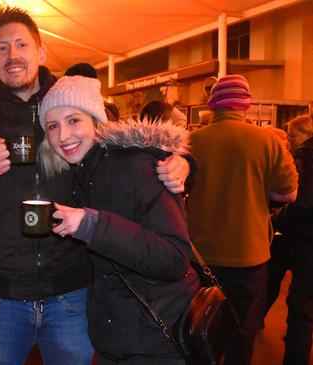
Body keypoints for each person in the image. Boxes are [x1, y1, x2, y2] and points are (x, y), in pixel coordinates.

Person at [0, 6, 193, 364]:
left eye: (21, 45)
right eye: (2, 48)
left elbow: (128, 147)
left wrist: (185, 163)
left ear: (41, 51)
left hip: (72, 290)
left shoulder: (71, 101)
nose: (12, 55)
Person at [38, 75, 198, 364]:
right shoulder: (84, 172)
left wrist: (92, 226)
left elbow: (174, 258)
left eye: (73, 121)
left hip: (158, 337)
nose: (63, 136)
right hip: (121, 333)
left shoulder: (133, 166)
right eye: (53, 126)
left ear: (97, 122)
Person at [187, 74, 298, 365]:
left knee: (201, 326)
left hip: (201, 255)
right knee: (243, 330)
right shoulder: (268, 140)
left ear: (213, 105)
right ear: (245, 104)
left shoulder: (191, 141)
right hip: (249, 255)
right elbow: (289, 193)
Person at [269, 115, 313, 365]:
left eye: (292, 136)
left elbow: (304, 202)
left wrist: (272, 222)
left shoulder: (308, 154)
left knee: (301, 309)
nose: (288, 141)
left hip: (306, 241)